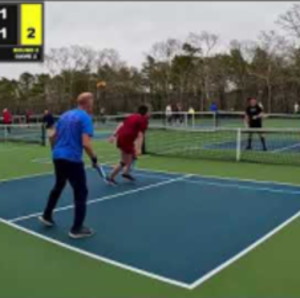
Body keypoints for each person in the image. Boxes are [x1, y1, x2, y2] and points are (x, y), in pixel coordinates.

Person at [39, 92, 99, 239]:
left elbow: (52, 136)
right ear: (87, 103)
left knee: (59, 185)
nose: (93, 105)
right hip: (72, 159)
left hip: (58, 157)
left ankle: (47, 215)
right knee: (81, 192)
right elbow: (86, 143)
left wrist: (56, 151)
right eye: (92, 102)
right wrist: (94, 158)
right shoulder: (85, 118)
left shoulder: (65, 115)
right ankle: (76, 229)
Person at [108, 105, 149, 184]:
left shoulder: (132, 116)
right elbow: (140, 135)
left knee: (132, 156)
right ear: (146, 113)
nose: (149, 113)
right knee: (124, 161)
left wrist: (114, 135)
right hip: (126, 140)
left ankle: (126, 173)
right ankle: (111, 177)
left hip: (123, 138)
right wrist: (139, 148)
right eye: (148, 112)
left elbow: (121, 124)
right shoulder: (143, 120)